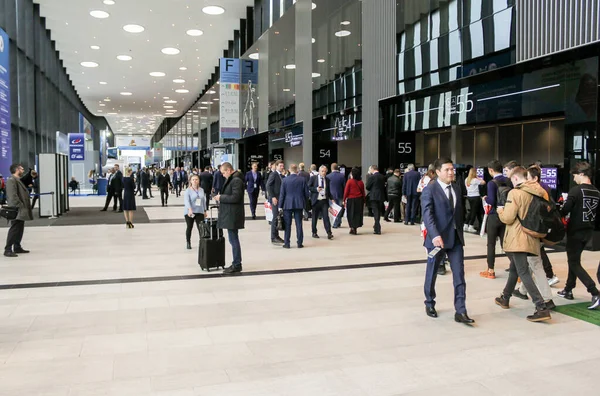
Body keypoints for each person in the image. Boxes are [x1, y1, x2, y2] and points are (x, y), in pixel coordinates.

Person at [494, 166, 552, 322]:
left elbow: (508, 217)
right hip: (533, 237)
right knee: (515, 267)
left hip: (518, 238)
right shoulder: (539, 192)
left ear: (515, 178)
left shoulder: (516, 193)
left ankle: (541, 306)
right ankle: (505, 297)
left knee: (523, 272)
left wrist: (500, 210)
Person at [421, 158, 473, 324]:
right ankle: (429, 302)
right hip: (437, 240)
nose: (451, 172)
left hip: (456, 239)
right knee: (432, 273)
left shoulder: (457, 188)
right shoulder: (430, 189)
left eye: (452, 169)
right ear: (437, 172)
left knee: (459, 276)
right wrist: (435, 235)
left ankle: (461, 310)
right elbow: (427, 214)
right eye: (447, 170)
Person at [558, 161, 600, 310]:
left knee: (574, 262)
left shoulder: (576, 191)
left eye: (575, 175)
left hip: (575, 230)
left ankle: (594, 292)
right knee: (574, 259)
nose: (574, 178)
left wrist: (559, 208)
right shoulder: (596, 192)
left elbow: (565, 210)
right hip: (588, 231)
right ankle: (568, 289)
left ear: (582, 174)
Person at [481, 160, 511, 279]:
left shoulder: (491, 183)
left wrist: (485, 198)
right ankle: (517, 269)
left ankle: (491, 270)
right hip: (507, 214)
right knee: (506, 244)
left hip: (494, 215)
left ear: (491, 170)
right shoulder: (508, 180)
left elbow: (492, 200)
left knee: (491, 243)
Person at [214, 162, 245, 274]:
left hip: (233, 215)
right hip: (230, 214)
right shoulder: (233, 179)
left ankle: (237, 263)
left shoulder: (236, 180)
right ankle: (236, 262)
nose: (222, 175)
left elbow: (236, 197)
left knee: (233, 240)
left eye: (223, 173)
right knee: (233, 239)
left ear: (228, 170)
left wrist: (221, 197)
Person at [4, 164, 33, 257]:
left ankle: (17, 246)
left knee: (20, 228)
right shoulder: (11, 180)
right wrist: (19, 206)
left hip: (21, 208)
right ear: (17, 169)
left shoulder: (17, 180)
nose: (23, 170)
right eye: (21, 168)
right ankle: (8, 249)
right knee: (15, 228)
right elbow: (12, 196)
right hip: (17, 209)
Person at [279, 164, 309, 249]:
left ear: (289, 170)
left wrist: (280, 206)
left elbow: (282, 194)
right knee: (299, 224)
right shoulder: (302, 180)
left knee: (287, 225)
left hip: (287, 204)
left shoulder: (285, 180)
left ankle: (287, 243)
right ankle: (299, 243)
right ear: (297, 170)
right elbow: (306, 193)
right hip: (299, 204)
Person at [308, 165, 334, 240]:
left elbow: (328, 191)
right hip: (316, 201)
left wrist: (331, 198)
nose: (324, 173)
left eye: (325, 171)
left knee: (326, 217)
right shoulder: (313, 178)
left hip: (324, 201)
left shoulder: (327, 180)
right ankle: (314, 232)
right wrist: (316, 189)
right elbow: (308, 187)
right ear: (319, 171)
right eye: (322, 171)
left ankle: (329, 232)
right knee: (314, 218)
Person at [184, 174, 208, 250]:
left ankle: (202, 242)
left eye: (196, 179)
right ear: (190, 181)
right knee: (189, 227)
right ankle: (188, 242)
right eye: (193, 179)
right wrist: (190, 209)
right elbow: (186, 201)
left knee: (200, 228)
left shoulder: (201, 190)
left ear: (199, 181)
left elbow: (204, 200)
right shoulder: (188, 191)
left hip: (199, 211)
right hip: (190, 212)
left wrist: (204, 210)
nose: (195, 181)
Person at [266, 160, 285, 245]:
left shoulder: (280, 175)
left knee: (278, 217)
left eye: (282, 166)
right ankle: (273, 237)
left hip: (279, 199)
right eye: (280, 166)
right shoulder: (274, 174)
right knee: (275, 217)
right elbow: (268, 185)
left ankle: (276, 235)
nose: (282, 167)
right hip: (275, 199)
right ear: (276, 166)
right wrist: (272, 196)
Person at [343, 168, 366, 235]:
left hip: (351, 199)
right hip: (359, 200)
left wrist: (344, 199)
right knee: (357, 214)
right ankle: (355, 227)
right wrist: (364, 201)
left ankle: (352, 227)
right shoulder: (361, 182)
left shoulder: (350, 181)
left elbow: (346, 191)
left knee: (350, 214)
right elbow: (363, 192)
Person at [366, 165, 386, 235]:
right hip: (380, 196)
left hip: (374, 196)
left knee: (375, 212)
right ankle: (376, 226)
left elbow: (367, 187)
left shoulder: (372, 177)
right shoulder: (382, 177)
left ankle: (377, 228)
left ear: (372, 169)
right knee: (378, 211)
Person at [464, 167, 485, 233]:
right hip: (475, 197)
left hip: (469, 196)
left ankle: (465, 224)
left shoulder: (466, 179)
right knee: (474, 212)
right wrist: (478, 177)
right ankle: (471, 225)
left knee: (471, 211)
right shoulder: (475, 180)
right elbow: (484, 182)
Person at [327, 163, 346, 228]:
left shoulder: (328, 176)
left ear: (331, 168)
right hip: (340, 195)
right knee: (340, 209)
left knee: (334, 210)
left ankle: (335, 223)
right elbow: (344, 187)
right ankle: (338, 222)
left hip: (331, 196)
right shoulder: (342, 176)